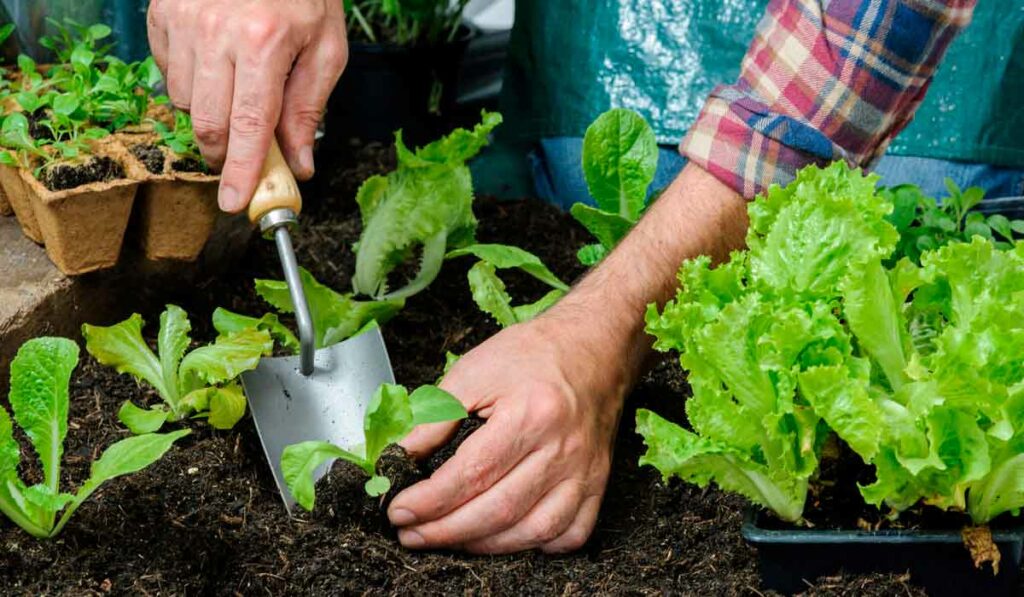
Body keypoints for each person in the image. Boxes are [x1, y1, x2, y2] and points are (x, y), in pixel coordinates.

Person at [148, 0, 1012, 555]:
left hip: (926, 87)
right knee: (580, 173)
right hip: (598, 64)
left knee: (907, 218)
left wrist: (601, 330)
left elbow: (857, 46)